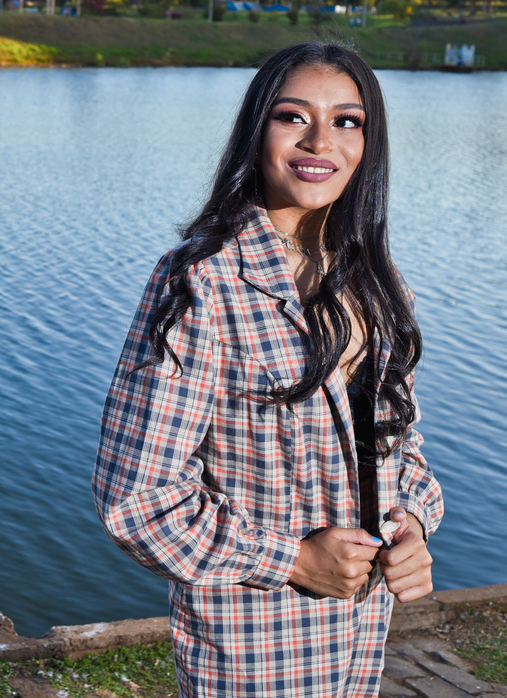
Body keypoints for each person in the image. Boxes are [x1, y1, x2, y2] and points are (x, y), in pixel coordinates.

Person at [93, 42, 443, 698]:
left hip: (363, 635)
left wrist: (413, 525)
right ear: (257, 131)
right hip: (256, 650)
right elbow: (137, 501)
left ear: (370, 142)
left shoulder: (380, 283)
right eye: (292, 116)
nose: (320, 141)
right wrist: (296, 558)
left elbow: (405, 450)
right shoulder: (201, 282)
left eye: (347, 121)